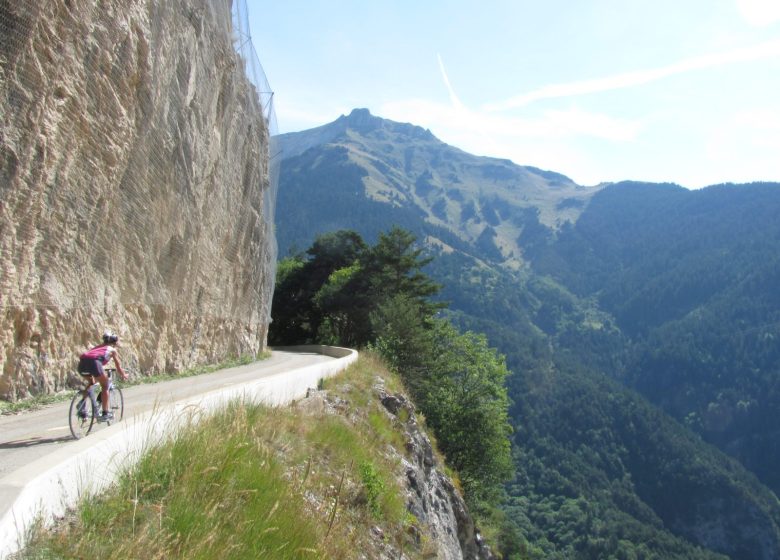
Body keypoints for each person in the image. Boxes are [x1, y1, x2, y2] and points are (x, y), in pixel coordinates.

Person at [78, 330, 128, 422]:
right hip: (94, 363)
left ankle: (82, 404)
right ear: (114, 342)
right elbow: (118, 366)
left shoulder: (96, 348)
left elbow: (90, 358)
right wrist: (123, 374)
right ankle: (105, 413)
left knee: (91, 382)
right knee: (105, 385)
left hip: (82, 364)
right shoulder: (112, 350)